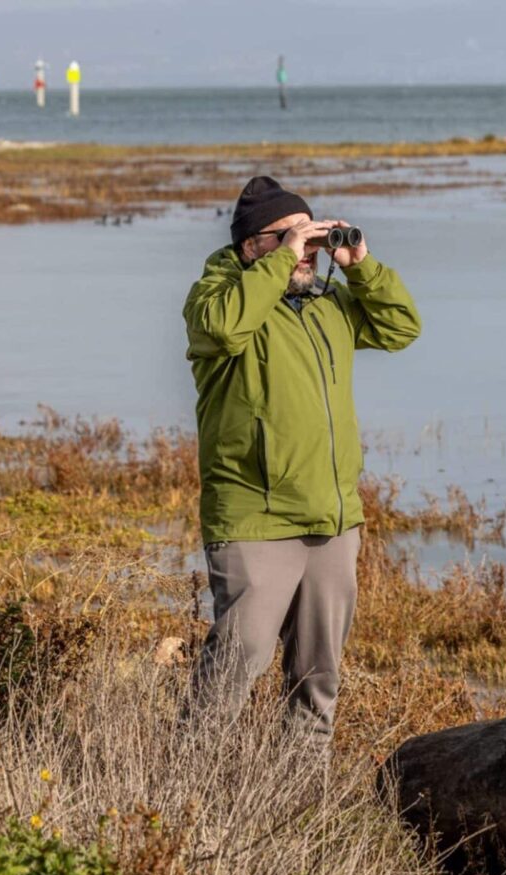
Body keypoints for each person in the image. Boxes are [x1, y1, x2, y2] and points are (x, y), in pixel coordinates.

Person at [182, 175, 421, 750]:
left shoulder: (329, 305)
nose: (305, 248)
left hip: (333, 520)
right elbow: (222, 327)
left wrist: (360, 265)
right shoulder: (215, 300)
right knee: (238, 663)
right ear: (251, 247)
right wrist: (279, 263)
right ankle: (182, 793)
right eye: (290, 236)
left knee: (318, 682)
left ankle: (295, 809)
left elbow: (401, 327)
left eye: (311, 237)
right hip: (256, 518)